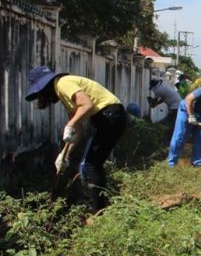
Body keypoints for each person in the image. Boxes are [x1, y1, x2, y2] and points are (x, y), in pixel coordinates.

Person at [25, 66, 128, 212]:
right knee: (90, 164)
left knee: (89, 165)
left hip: (109, 115)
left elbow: (87, 105)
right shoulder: (66, 97)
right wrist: (64, 155)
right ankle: (99, 205)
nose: (43, 99)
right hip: (110, 117)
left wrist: (70, 124)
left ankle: (99, 210)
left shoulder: (62, 83)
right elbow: (78, 131)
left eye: (41, 94)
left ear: (46, 87)